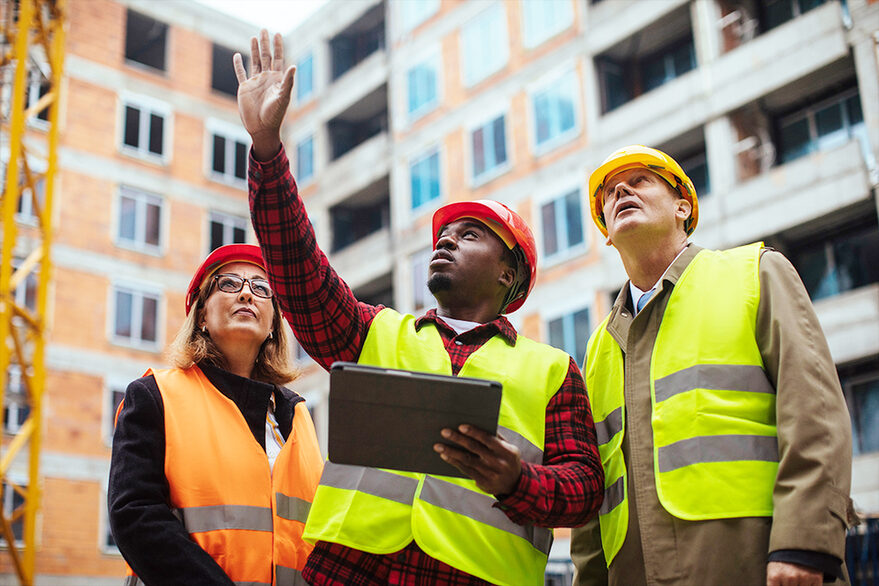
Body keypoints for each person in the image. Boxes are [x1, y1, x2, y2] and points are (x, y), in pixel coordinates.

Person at [233, 30, 605, 586]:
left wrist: (518, 481)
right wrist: (267, 149)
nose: (446, 241)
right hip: (351, 571)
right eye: (443, 234)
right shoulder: (376, 331)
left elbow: (585, 490)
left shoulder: (553, 371)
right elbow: (298, 271)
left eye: (470, 234)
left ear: (510, 272)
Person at [571, 145, 856, 586]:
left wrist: (804, 543)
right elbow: (595, 493)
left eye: (641, 179)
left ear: (684, 206)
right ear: (606, 232)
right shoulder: (597, 349)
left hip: (760, 564)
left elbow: (814, 413)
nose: (621, 189)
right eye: (609, 192)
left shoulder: (755, 274)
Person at [108, 244, 323, 586]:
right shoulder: (154, 396)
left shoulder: (297, 417)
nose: (246, 294)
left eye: (261, 288)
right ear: (202, 316)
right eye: (228, 284)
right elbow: (134, 515)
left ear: (273, 325)